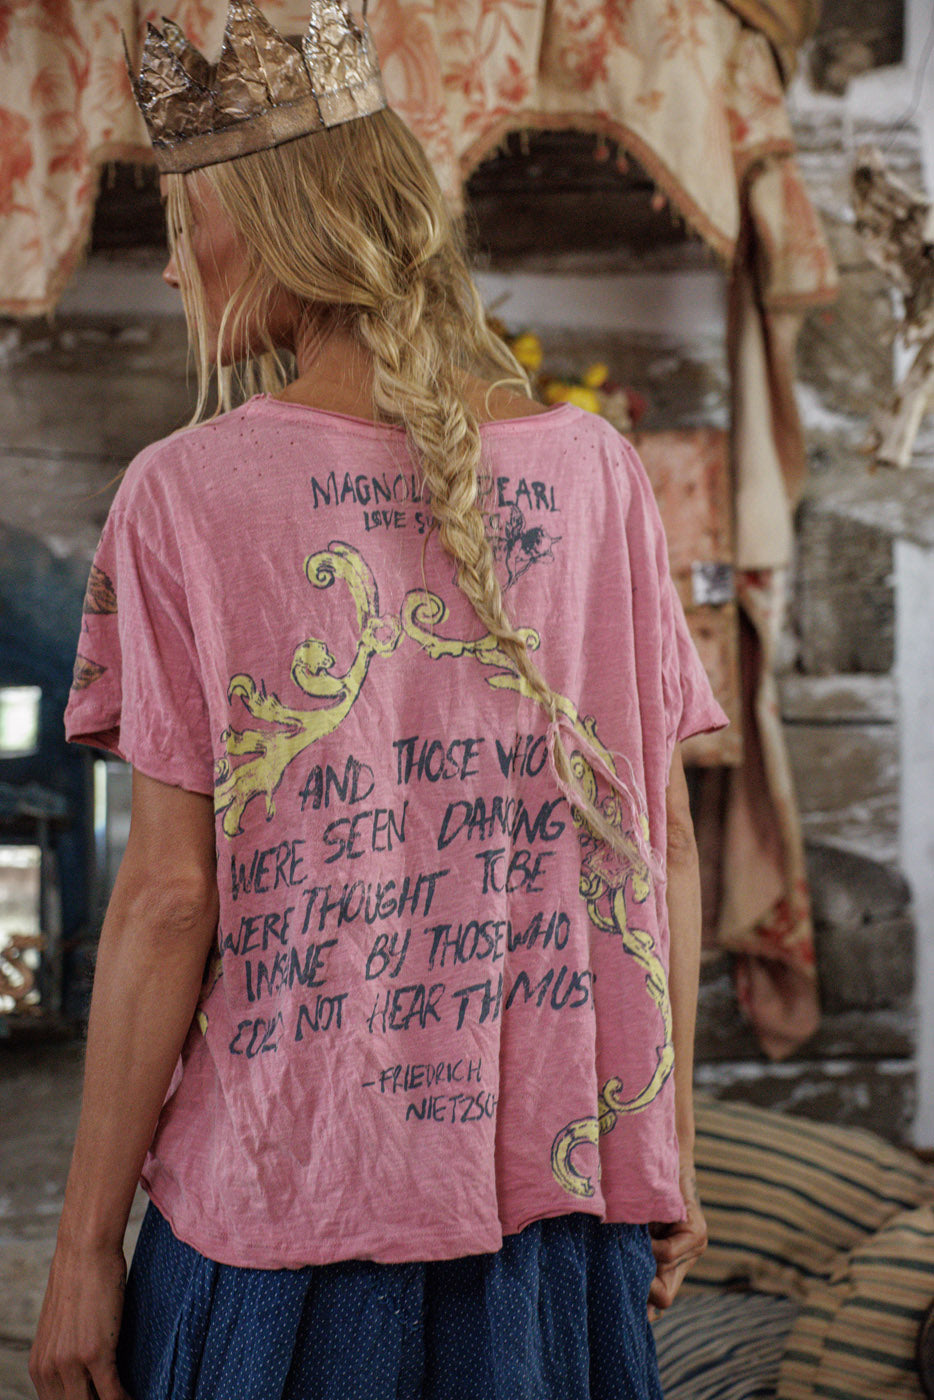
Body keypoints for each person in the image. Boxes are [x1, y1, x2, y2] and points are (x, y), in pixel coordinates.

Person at [30, 3, 727, 1397]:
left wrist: (81, 1249)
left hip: (279, 1221)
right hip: (559, 1209)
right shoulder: (597, 473)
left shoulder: (184, 493)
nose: (168, 266)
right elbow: (658, 846)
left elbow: (167, 898)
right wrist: (666, 1149)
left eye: (181, 219)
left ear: (268, 225)